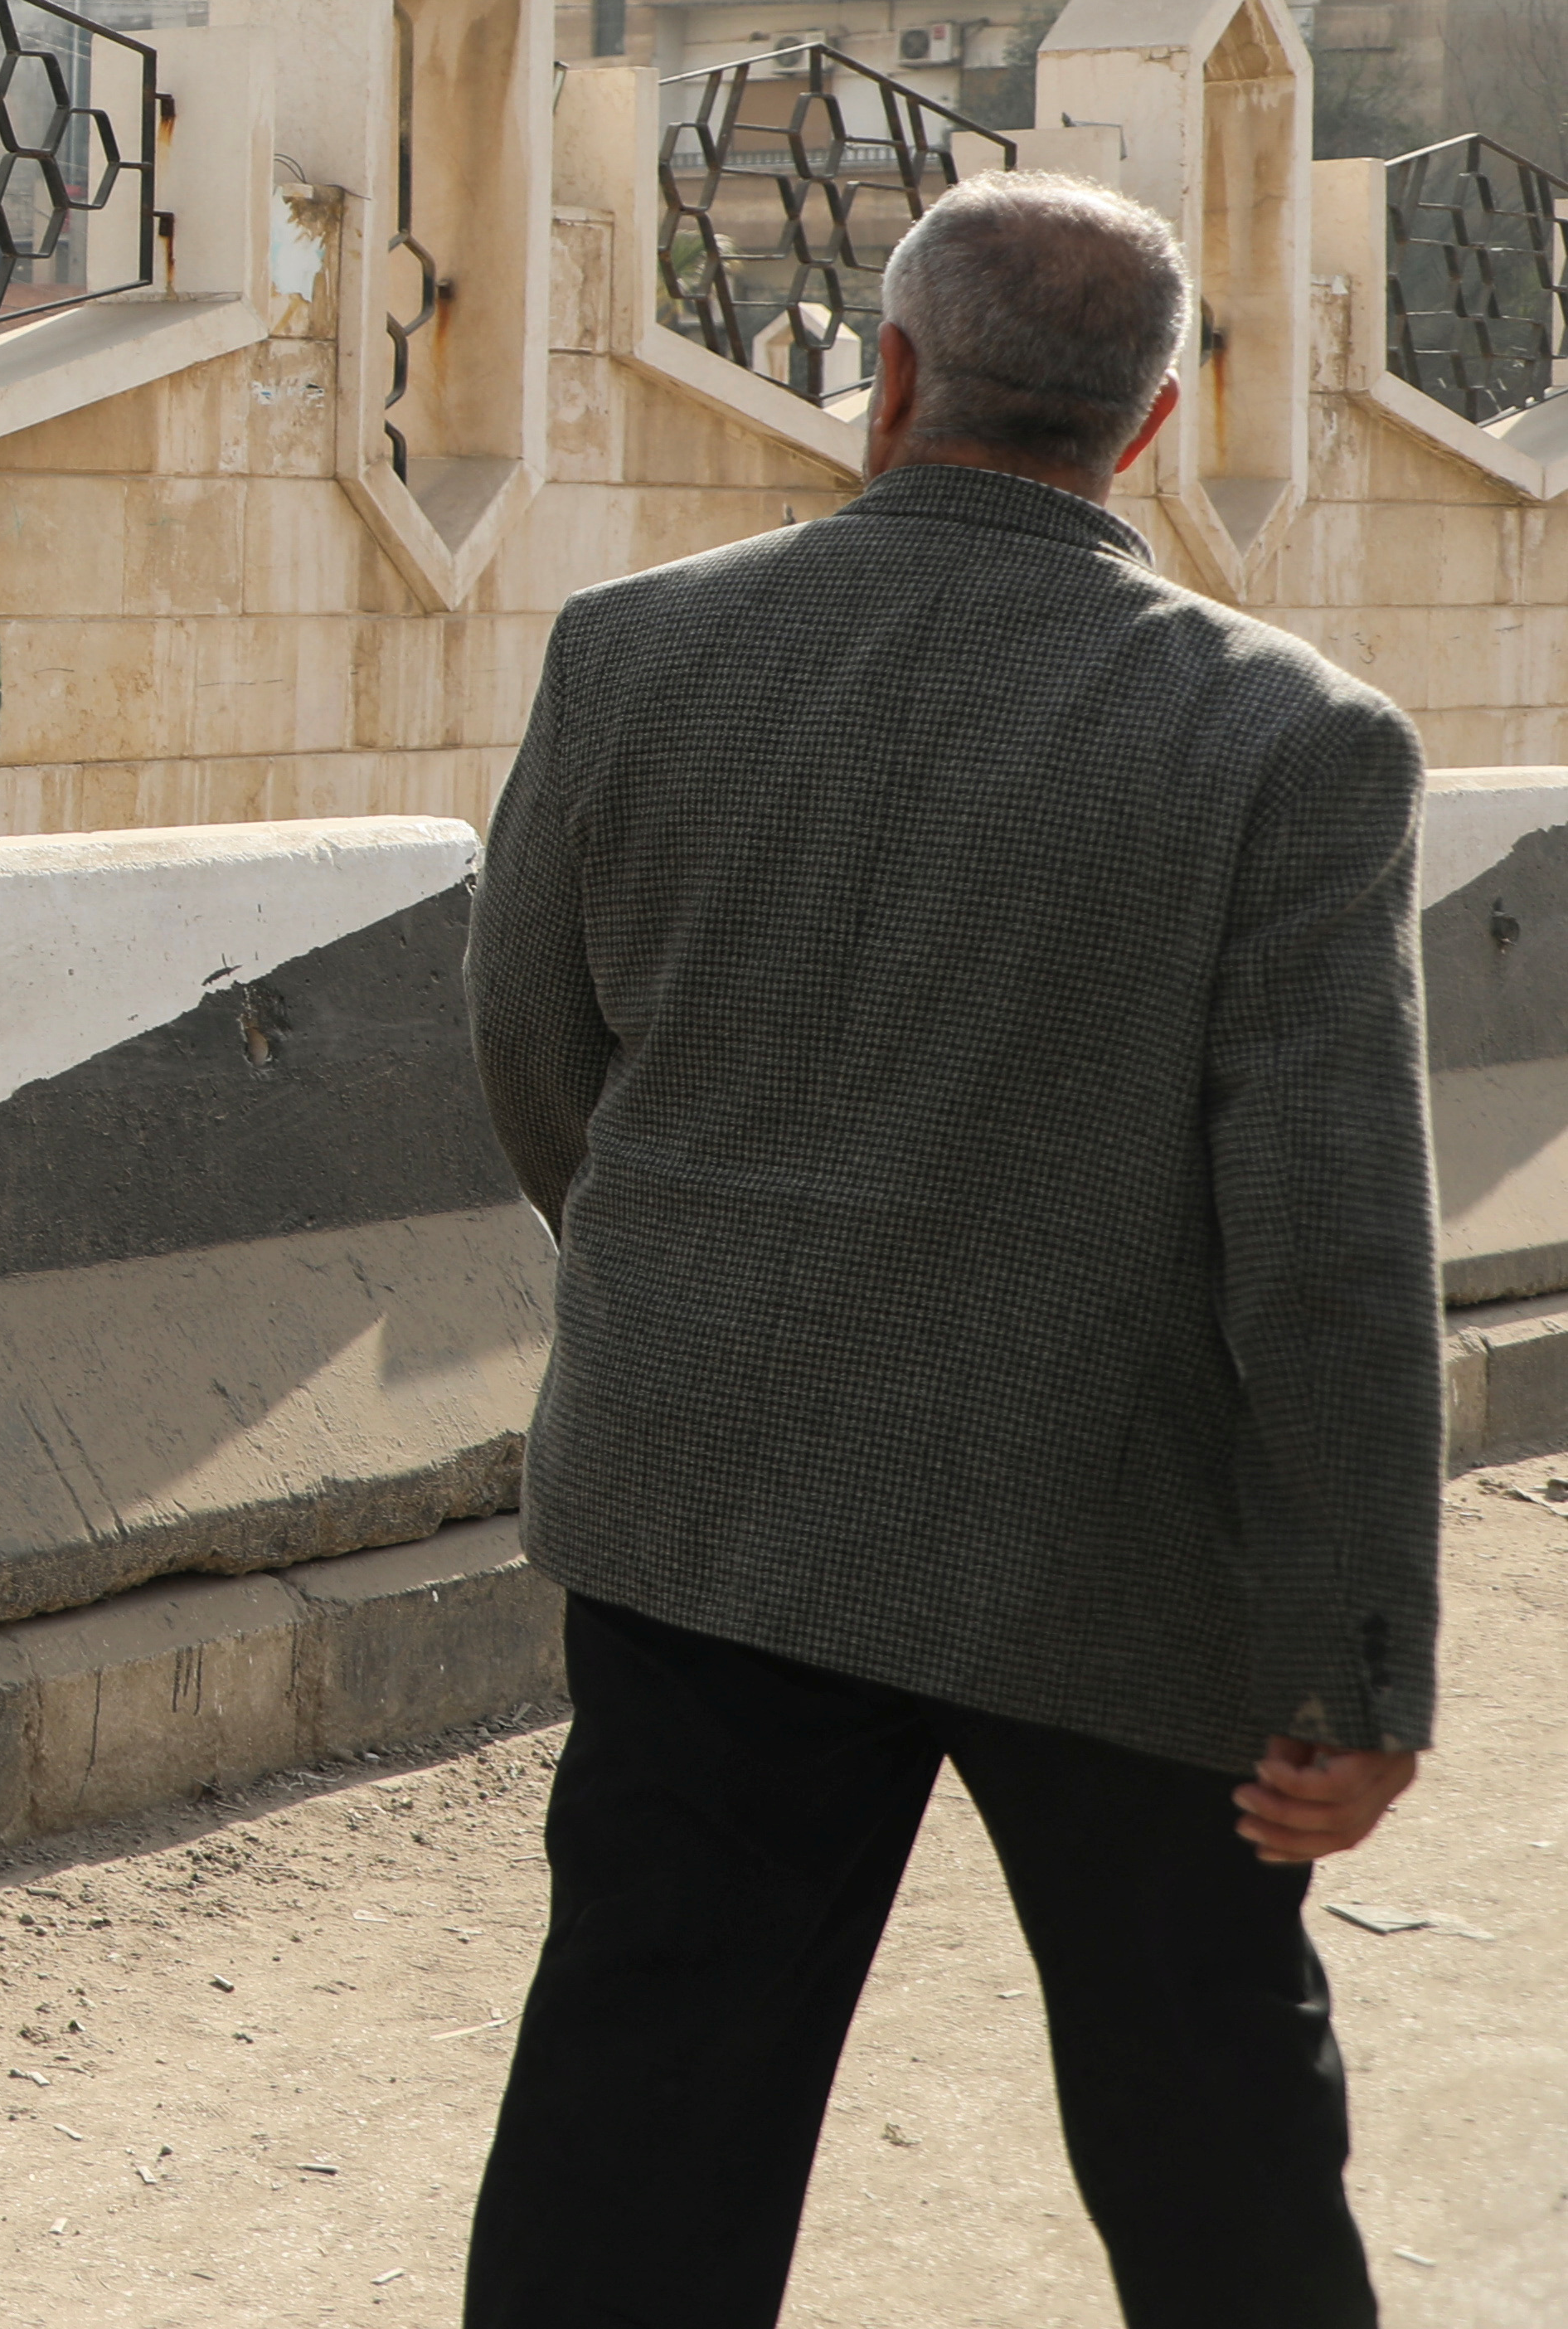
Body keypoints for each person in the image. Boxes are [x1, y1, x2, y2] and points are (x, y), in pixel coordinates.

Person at [459, 171, 1442, 2329]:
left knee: (639, 2129)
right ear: (1157, 424)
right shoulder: (1294, 742)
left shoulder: (629, 653)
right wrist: (1365, 1658)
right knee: (1216, 2149)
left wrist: (702, 1293)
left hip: (703, 1519)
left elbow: (541, 1056)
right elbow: (1333, 1256)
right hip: (1110, 1547)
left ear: (887, 377)